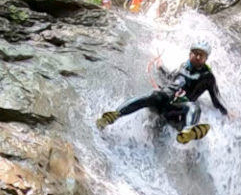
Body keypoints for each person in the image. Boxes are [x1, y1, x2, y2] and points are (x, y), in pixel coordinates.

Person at [96, 41, 230, 144]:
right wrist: (160, 67)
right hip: (164, 99)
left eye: (202, 55)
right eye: (196, 53)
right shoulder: (183, 66)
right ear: (190, 54)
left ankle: (188, 131)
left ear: (206, 59)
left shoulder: (208, 77)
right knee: (153, 95)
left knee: (194, 107)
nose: (198, 56)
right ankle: (114, 115)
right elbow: (170, 77)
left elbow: (216, 99)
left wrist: (228, 113)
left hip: (178, 108)